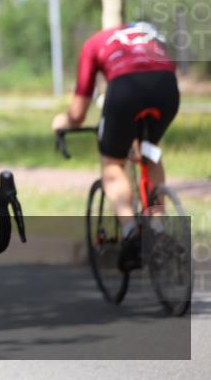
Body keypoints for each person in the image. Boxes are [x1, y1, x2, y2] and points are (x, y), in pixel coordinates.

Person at [52, 21, 178, 272]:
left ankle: (130, 231)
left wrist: (61, 122)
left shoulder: (93, 44)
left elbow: (77, 113)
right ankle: (157, 226)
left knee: (112, 163)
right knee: (150, 150)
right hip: (167, 87)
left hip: (125, 88)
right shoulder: (148, 33)